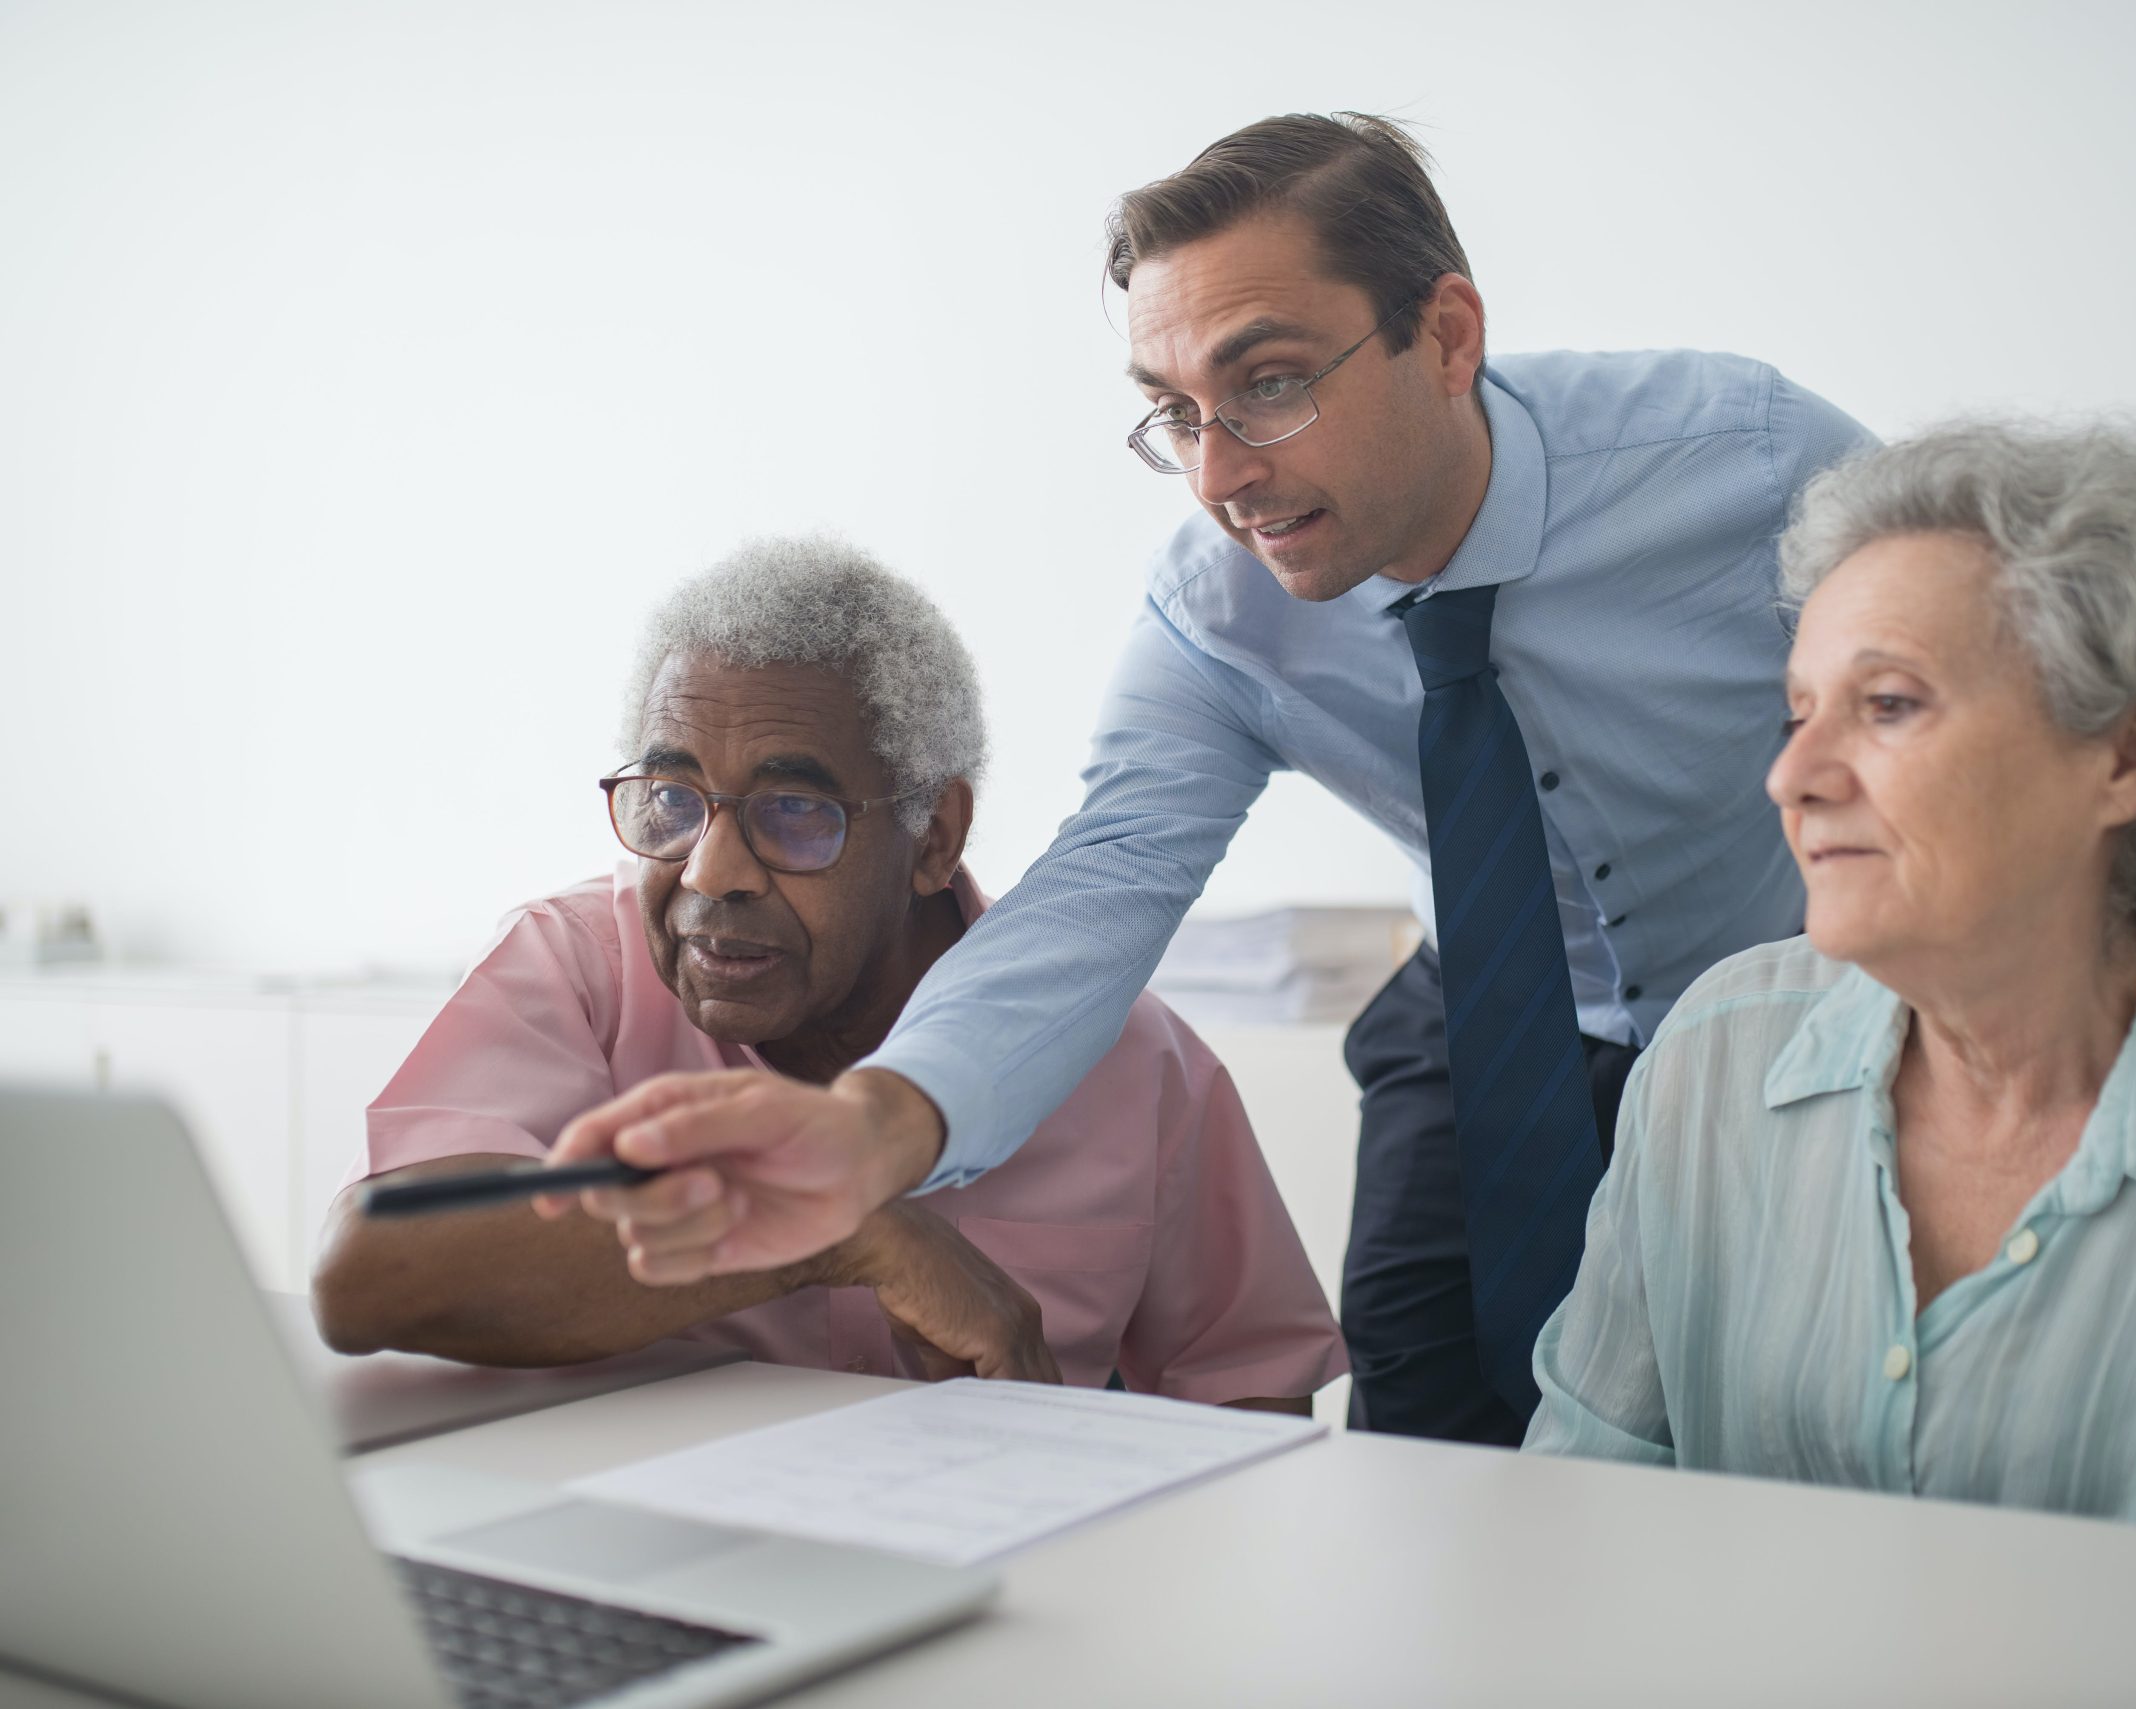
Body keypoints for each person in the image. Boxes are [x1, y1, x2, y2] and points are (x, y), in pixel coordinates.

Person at [548, 113, 1871, 1446]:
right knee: (1431, 1457)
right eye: (1174, 414)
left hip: (1798, 989)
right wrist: (872, 1128)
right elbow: (1106, 879)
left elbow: (2005, 703)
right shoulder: (1219, 610)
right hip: (1490, 1011)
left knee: (1782, 1425)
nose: (1222, 475)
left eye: (1272, 385)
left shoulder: (1754, 467)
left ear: (1449, 336)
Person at [1521, 420, 2136, 1545]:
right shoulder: (1716, 1051)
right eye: (1797, 713)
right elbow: (1584, 1519)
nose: (1791, 776)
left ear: (2129, 755)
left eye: (1887, 705)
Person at [312, 537, 1346, 1413]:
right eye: (671, 798)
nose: (710, 873)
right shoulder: (580, 966)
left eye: (794, 812)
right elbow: (371, 1272)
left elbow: (1251, 1404)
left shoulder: (1126, 1056)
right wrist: (841, 1236)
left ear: (932, 836)